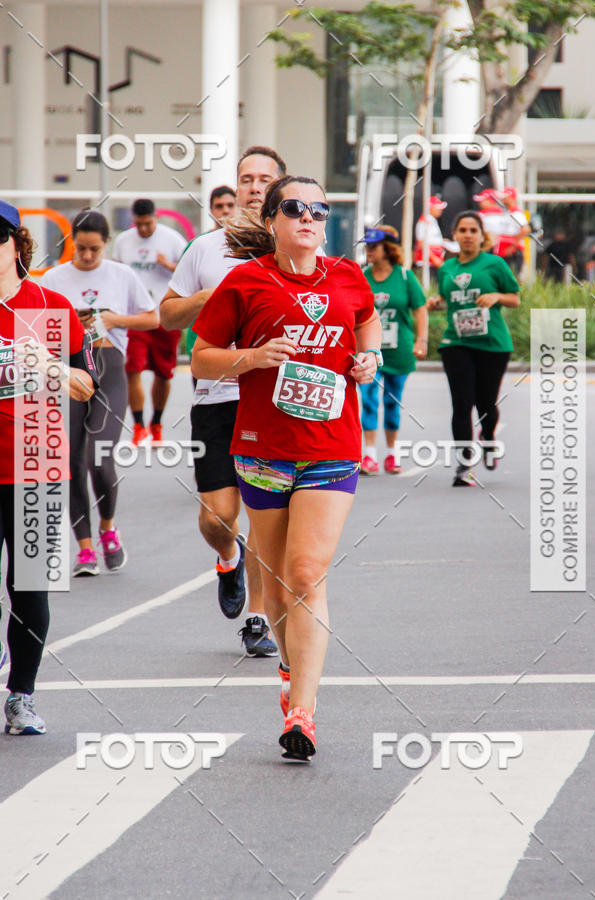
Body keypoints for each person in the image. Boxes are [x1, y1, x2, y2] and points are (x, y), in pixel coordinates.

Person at [191, 174, 381, 760]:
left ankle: (303, 712)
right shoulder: (246, 281)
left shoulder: (348, 276)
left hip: (331, 448)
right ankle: (289, 672)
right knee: (273, 589)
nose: (309, 218)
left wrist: (369, 355)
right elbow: (200, 360)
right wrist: (251, 357)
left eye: (319, 210)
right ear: (272, 219)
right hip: (262, 449)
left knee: (304, 574)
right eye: (295, 209)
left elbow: (366, 321)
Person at [160, 147, 288, 658]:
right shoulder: (206, 247)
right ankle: (227, 555)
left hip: (273, 398)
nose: (255, 187)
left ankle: (257, 615)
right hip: (216, 397)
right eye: (246, 178)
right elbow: (168, 316)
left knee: (263, 510)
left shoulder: (297, 248)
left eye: (265, 179)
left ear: (281, 187)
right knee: (218, 517)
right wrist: (208, 298)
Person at [0, 201, 95, 734]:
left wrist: (51, 366)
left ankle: (21, 697)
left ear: (17, 244)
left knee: (30, 588)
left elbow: (87, 386)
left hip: (35, 463)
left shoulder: (49, 306)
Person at [41, 210, 158, 575]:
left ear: (106, 243)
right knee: (71, 460)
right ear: (71, 243)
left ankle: (108, 528)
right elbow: (38, 328)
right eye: (81, 248)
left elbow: (153, 318)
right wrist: (70, 322)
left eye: (94, 249)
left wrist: (113, 319)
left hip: (108, 369)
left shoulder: (122, 275)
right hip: (69, 370)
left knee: (98, 455)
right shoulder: (55, 278)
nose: (88, 256)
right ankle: (86, 548)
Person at [426, 211, 520, 486]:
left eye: (472, 230)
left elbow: (514, 298)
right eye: (462, 230)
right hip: (457, 341)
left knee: (486, 403)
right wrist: (436, 303)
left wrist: (496, 296)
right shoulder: (447, 268)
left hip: (492, 344)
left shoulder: (494, 264)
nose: (467, 235)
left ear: (481, 236)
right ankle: (464, 464)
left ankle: (488, 437)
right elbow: (448, 299)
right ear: (455, 235)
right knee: (461, 403)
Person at [112, 199, 187, 445]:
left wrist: (168, 265)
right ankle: (138, 425)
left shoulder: (173, 239)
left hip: (166, 315)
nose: (144, 229)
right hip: (136, 315)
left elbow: (189, 274)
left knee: (164, 373)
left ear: (156, 218)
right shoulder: (124, 240)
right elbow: (117, 275)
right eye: (139, 224)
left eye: (148, 224)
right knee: (132, 369)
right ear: (134, 221)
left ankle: (156, 422)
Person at [357, 225, 427, 475]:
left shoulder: (405, 277)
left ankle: (392, 454)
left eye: (374, 247)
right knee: (368, 400)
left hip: (399, 351)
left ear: (388, 249)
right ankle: (369, 455)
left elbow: (420, 309)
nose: (369, 251)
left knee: (392, 401)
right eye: (367, 247)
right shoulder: (362, 276)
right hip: (368, 351)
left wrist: (422, 340)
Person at [185, 185, 237, 378]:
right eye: (219, 206)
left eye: (230, 205)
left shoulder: (253, 244)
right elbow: (182, 293)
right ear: (210, 210)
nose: (225, 210)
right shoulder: (198, 245)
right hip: (202, 339)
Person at [494, 187, 530, 277]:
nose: (502, 199)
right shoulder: (509, 213)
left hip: (512, 252)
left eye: (504, 197)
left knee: (511, 276)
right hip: (505, 251)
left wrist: (513, 246)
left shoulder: (516, 213)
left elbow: (525, 229)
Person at [414, 195, 447, 278]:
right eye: (438, 207)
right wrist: (434, 258)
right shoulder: (424, 221)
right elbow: (421, 242)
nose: (440, 210)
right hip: (427, 263)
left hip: (434, 262)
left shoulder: (432, 220)